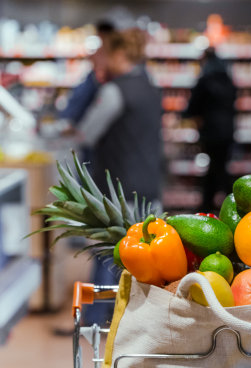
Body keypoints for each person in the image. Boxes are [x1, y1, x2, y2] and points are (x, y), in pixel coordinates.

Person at [77, 28, 162, 325]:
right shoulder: (150, 87)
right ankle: (136, 322)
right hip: (148, 185)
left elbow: (87, 132)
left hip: (120, 187)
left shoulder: (115, 91)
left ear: (117, 54)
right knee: (145, 258)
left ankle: (94, 321)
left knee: (107, 256)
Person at [183, 47, 237, 213]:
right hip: (228, 131)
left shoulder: (205, 79)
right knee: (220, 166)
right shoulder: (228, 79)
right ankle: (222, 202)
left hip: (211, 132)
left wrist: (186, 116)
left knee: (215, 168)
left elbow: (193, 106)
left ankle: (215, 203)